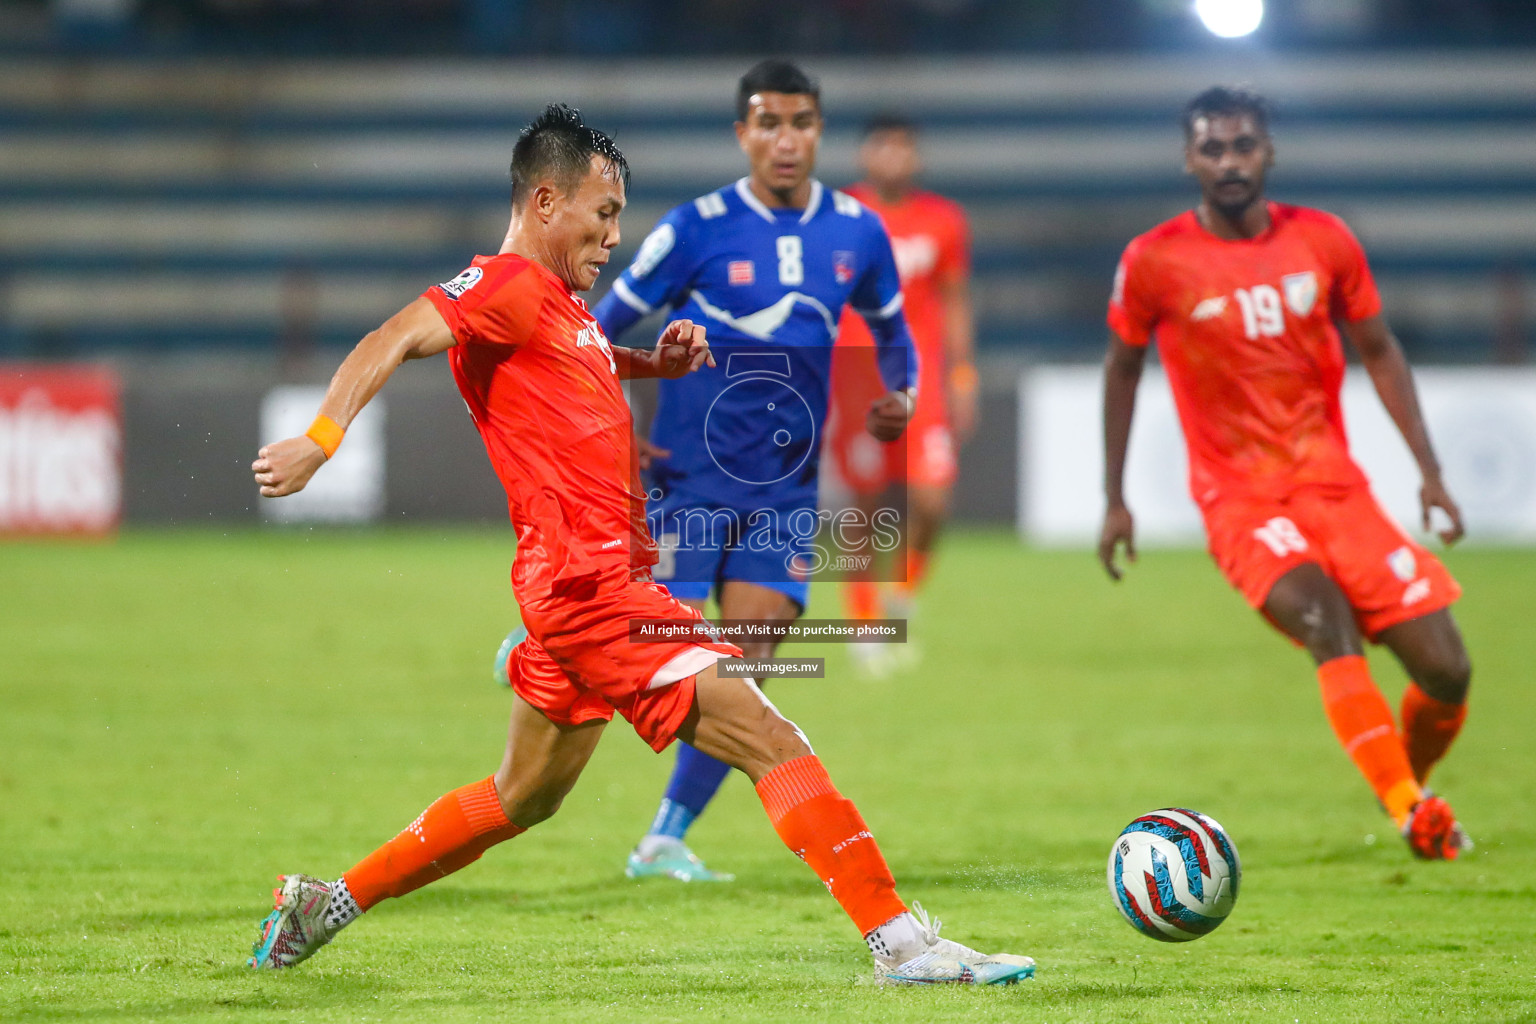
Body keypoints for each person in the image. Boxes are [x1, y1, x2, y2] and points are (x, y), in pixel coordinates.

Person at [246, 104, 1032, 985]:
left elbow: (570, 360)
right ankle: (902, 946)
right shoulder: (504, 285)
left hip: (582, 589)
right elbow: (393, 336)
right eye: (605, 211)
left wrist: (648, 364)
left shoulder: (559, 307)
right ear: (546, 202)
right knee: (770, 732)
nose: (616, 234)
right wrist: (321, 437)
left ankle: (326, 902)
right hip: (594, 590)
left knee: (523, 797)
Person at [1099, 86, 1473, 861]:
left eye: (1243, 146)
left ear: (1270, 152)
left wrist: (1429, 472)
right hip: (1240, 498)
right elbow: (1122, 371)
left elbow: (1379, 350)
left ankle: (1406, 788)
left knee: (1447, 670)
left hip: (1337, 489)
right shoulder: (1154, 260)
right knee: (1322, 619)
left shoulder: (1325, 241)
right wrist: (1115, 497)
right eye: (1212, 148)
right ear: (1188, 159)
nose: (1229, 161)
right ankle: (1409, 810)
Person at [588, 60, 919, 883]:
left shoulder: (856, 231)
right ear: (742, 133)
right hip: (684, 481)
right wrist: (614, 436)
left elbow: (893, 332)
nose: (785, 139)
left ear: (819, 131)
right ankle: (542, 646)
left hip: (783, 492)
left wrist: (900, 395)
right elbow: (595, 332)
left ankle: (663, 837)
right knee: (634, 648)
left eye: (800, 123)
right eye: (767, 123)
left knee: (745, 665)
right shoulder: (694, 229)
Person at [826, 114, 976, 673]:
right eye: (882, 147)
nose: (893, 157)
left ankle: (904, 590)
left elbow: (956, 298)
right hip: (857, 377)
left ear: (916, 157)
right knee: (864, 505)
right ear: (866, 154)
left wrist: (963, 376)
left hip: (922, 380)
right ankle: (865, 624)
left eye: (903, 148)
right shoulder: (839, 216)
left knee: (933, 501)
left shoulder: (944, 221)